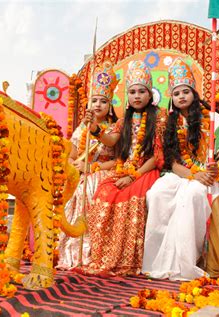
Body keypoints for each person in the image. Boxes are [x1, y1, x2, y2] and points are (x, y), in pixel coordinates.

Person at [142, 58, 219, 281]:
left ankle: (187, 260)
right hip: (180, 174)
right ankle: (157, 261)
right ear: (172, 99)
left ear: (194, 94)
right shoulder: (169, 123)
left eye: (185, 92)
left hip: (208, 176)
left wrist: (213, 171)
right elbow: (172, 162)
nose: (181, 97)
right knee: (156, 193)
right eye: (176, 94)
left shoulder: (213, 118)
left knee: (192, 194)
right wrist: (192, 174)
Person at [76, 60, 165, 276]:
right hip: (124, 169)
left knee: (130, 199)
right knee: (103, 193)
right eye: (132, 91)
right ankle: (103, 258)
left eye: (141, 91)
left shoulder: (159, 117)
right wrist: (95, 128)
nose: (137, 96)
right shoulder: (123, 120)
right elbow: (110, 141)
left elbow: (156, 156)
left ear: (150, 95)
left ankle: (127, 261)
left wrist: (133, 177)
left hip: (146, 170)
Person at [57, 60, 119, 269]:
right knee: (69, 189)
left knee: (87, 189)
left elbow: (118, 160)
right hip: (81, 172)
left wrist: (93, 169)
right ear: (87, 105)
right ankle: (69, 252)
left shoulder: (114, 129)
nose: (98, 104)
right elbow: (72, 154)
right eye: (94, 100)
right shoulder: (80, 129)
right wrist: (74, 164)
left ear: (110, 106)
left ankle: (90, 253)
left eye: (103, 101)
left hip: (102, 172)